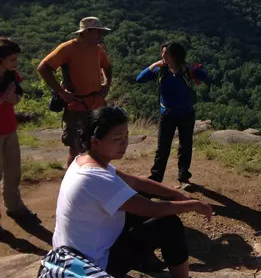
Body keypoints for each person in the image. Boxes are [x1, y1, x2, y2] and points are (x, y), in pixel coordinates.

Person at [51, 106, 214, 278]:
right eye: (117, 138)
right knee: (169, 224)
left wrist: (175, 194)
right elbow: (152, 209)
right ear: (95, 141)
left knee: (138, 196)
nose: (124, 143)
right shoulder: (96, 178)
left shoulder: (83, 161)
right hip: (91, 265)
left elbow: (135, 182)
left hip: (71, 252)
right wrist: (193, 205)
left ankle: (145, 261)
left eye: (126, 136)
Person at [38, 17, 113, 167]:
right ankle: (71, 183)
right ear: (86, 32)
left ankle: (92, 177)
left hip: (96, 105)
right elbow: (43, 68)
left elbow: (107, 66)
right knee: (76, 148)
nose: (100, 35)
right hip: (76, 106)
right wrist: (61, 92)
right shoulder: (68, 48)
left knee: (96, 144)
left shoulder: (97, 49)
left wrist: (107, 84)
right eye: (97, 32)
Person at [136, 41, 209, 190]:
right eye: (162, 53)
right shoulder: (161, 71)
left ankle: (183, 178)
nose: (163, 56)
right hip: (167, 114)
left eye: (166, 53)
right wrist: (154, 65)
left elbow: (207, 77)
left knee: (185, 146)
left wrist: (193, 68)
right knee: (162, 147)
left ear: (175, 55)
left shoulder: (187, 71)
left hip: (186, 114)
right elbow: (140, 79)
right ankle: (156, 178)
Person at [0, 38, 39, 223]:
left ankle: (14, 206)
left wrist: (14, 98)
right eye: (12, 59)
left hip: (9, 128)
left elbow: (18, 95)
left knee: (13, 171)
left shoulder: (11, 75)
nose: (16, 63)